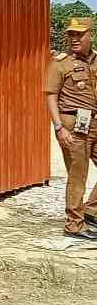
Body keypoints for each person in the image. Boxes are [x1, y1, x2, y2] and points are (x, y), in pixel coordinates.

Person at [45, 16, 97, 240]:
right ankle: (74, 224)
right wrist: (59, 127)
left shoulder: (96, 60)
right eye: (71, 35)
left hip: (94, 121)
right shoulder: (60, 63)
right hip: (72, 124)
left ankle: (91, 211)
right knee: (78, 174)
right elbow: (50, 96)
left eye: (79, 34)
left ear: (90, 35)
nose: (74, 39)